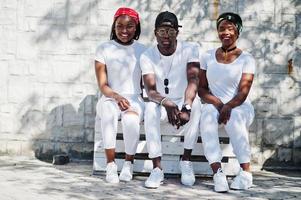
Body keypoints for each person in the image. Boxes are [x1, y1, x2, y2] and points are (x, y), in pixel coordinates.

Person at [140, 11, 201, 188]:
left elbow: (193, 80)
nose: (166, 36)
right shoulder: (147, 55)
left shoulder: (190, 49)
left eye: (171, 31)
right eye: (162, 31)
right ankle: (157, 169)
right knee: (150, 109)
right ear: (155, 32)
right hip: (161, 102)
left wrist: (187, 107)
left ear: (177, 32)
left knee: (196, 105)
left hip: (183, 100)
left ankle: (186, 161)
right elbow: (151, 91)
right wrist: (166, 101)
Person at [198, 12, 256, 192]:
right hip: (215, 104)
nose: (226, 33)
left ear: (237, 31)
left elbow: (243, 92)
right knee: (207, 115)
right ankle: (218, 173)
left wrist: (228, 106)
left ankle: (246, 172)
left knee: (234, 117)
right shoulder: (207, 56)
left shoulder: (247, 59)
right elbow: (202, 89)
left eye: (230, 29)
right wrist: (218, 104)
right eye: (222, 29)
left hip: (240, 106)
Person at [94, 7, 146, 183]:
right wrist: (116, 97)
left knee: (131, 119)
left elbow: (145, 82)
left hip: (134, 98)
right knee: (108, 112)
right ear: (114, 27)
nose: (124, 30)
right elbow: (103, 85)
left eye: (130, 26)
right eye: (120, 26)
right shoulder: (104, 48)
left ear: (136, 27)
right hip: (110, 97)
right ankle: (111, 165)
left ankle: (128, 163)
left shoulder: (143, 50)